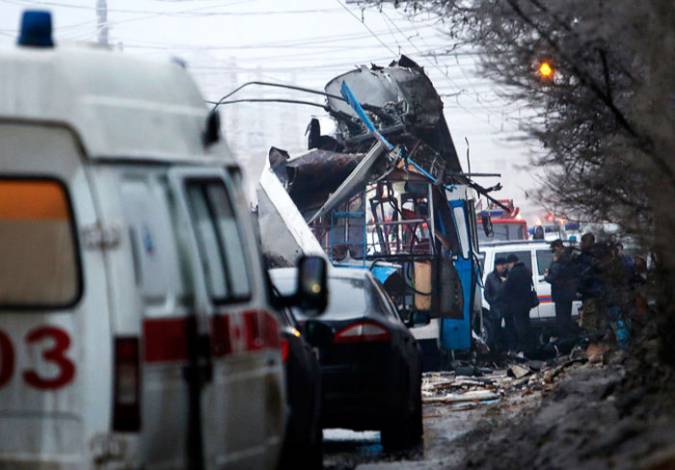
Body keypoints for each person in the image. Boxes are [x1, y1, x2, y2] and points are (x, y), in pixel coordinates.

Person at [545, 240, 578, 337]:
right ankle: (568, 339)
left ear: (557, 247)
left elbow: (552, 277)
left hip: (560, 293)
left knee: (561, 320)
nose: (553, 252)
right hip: (568, 293)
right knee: (567, 319)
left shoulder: (559, 261)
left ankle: (564, 340)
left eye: (554, 249)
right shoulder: (569, 258)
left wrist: (547, 275)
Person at [503, 254, 535, 354]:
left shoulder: (513, 273)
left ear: (512, 262)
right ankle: (530, 346)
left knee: (520, 326)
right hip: (527, 303)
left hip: (517, 304)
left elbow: (507, 288)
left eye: (508, 264)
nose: (508, 266)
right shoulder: (526, 270)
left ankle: (522, 347)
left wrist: (504, 282)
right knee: (527, 324)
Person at [576, 232, 606, 336]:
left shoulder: (587, 258)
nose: (580, 244)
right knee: (600, 322)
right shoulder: (599, 255)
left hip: (591, 294)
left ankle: (594, 344)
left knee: (590, 324)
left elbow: (585, 277)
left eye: (582, 242)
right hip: (598, 293)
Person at [484, 257, 508, 351]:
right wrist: (492, 301)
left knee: (509, 329)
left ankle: (508, 347)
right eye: (501, 265)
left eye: (504, 265)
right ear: (496, 266)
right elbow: (486, 293)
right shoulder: (490, 277)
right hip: (496, 308)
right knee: (495, 329)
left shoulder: (508, 275)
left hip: (507, 307)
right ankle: (496, 349)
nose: (503, 267)